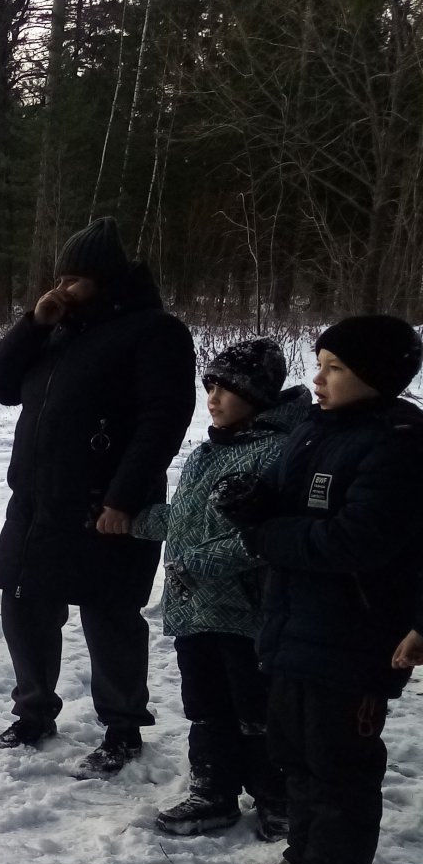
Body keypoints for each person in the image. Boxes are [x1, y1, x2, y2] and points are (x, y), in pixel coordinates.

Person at [217, 315, 423, 864]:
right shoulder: (317, 426)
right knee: (296, 750)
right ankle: (303, 855)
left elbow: (355, 540)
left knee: (339, 759)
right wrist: (256, 501)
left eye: (336, 368)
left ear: (377, 376)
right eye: (320, 364)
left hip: (357, 631)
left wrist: (265, 534)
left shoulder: (399, 440)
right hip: (295, 620)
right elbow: (293, 499)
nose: (319, 378)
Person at [0, 216, 196, 776]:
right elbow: (0, 385)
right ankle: (33, 713)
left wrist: (124, 499)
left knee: (111, 616)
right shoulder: (57, 329)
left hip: (107, 502)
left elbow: (162, 421)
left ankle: (122, 726)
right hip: (37, 499)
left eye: (76, 280)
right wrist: (32, 322)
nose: (63, 290)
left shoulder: (155, 332)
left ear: (107, 281)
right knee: (24, 606)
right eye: (60, 278)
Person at [131, 338, 306, 837]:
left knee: (255, 707)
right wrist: (134, 522)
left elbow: (265, 537)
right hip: (196, 610)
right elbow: (189, 519)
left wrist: (200, 563)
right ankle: (213, 792)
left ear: (258, 395)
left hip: (245, 612)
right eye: (210, 384)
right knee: (205, 705)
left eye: (227, 388)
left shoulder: (277, 454)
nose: (213, 396)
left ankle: (276, 796)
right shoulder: (210, 450)